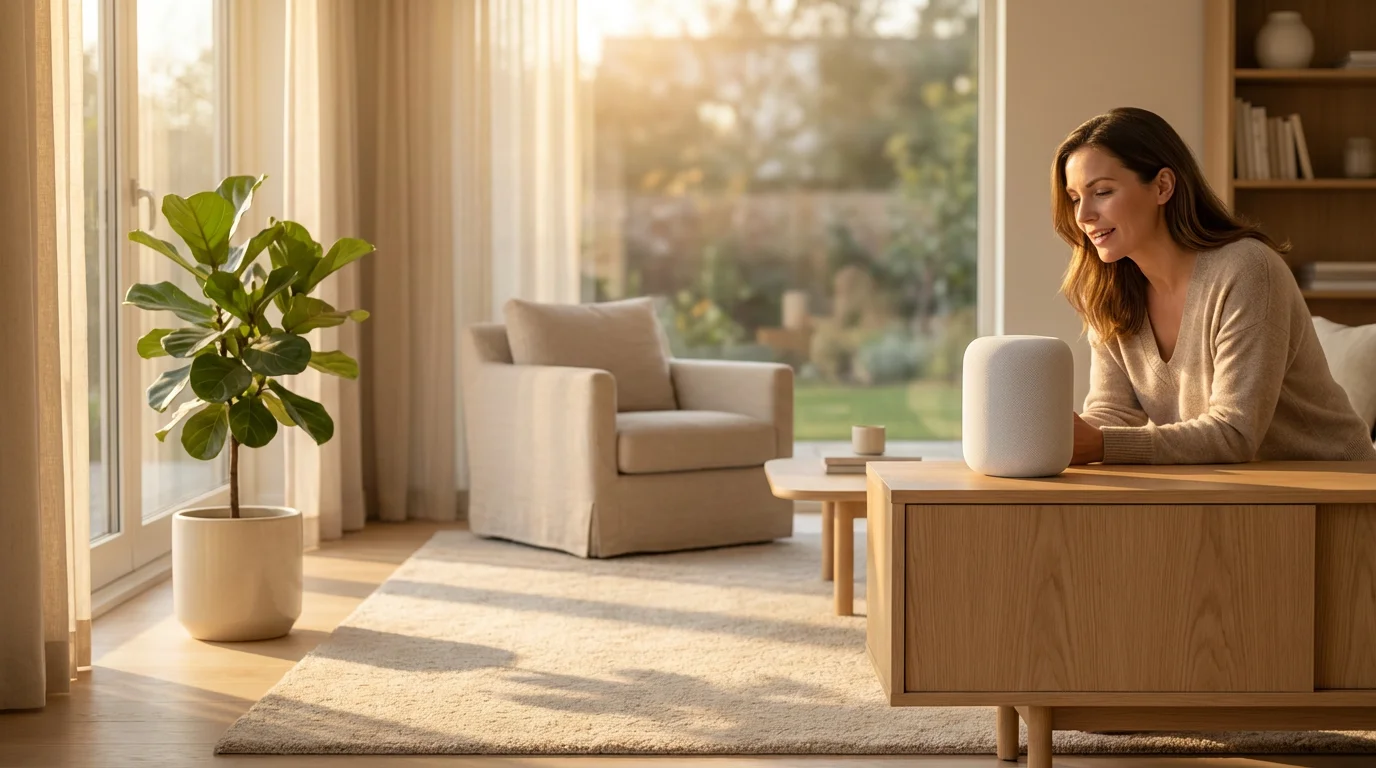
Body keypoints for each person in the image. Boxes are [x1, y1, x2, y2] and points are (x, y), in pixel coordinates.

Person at [1053, 106, 1376, 465]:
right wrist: (1061, 438)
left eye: (1102, 192)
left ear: (1162, 186)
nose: (1083, 216)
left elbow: (1235, 433)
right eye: (1075, 198)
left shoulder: (1247, 270)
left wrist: (1100, 445)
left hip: (1335, 490)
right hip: (1231, 489)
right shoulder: (1110, 290)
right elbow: (1112, 414)